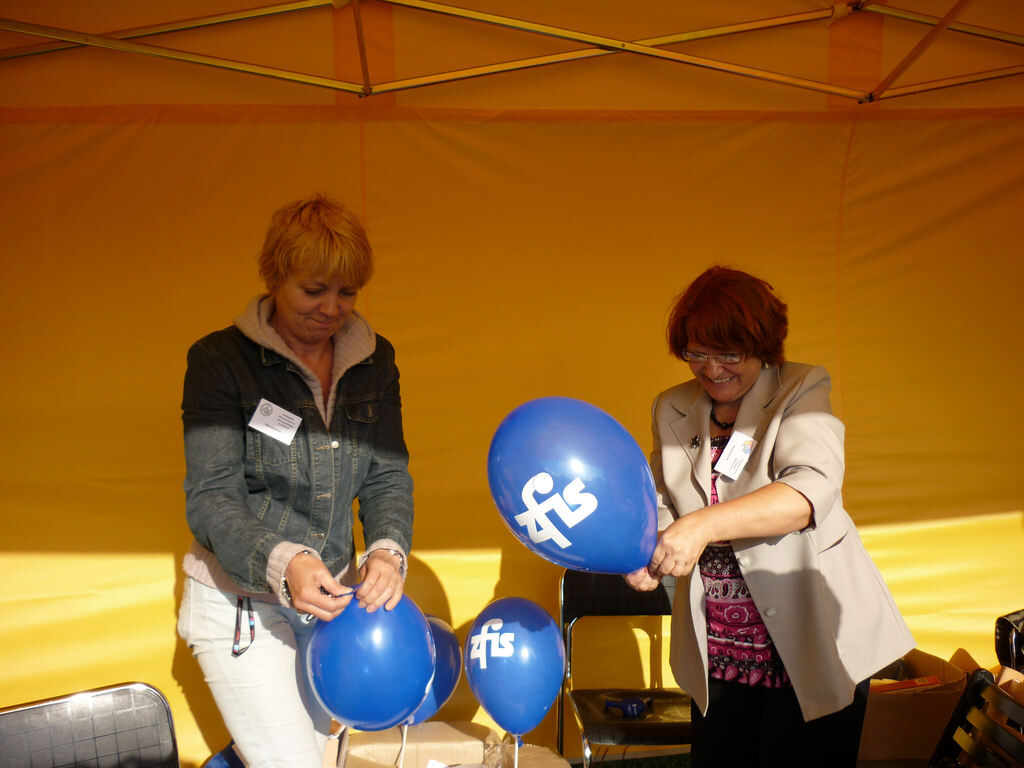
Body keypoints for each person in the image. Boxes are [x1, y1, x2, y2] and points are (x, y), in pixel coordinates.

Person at [626, 266, 913, 768]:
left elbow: (808, 492)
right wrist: (644, 550)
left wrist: (702, 525)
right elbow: (663, 499)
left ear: (762, 343)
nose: (711, 369)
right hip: (719, 649)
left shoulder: (801, 387)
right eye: (697, 353)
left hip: (809, 642)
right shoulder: (670, 406)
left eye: (728, 354)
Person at [177, 194, 414, 768]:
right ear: (274, 276)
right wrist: (284, 560)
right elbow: (211, 498)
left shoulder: (375, 361)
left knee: (317, 757)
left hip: (330, 607)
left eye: (348, 292)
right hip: (242, 603)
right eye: (313, 290)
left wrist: (387, 551)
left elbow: (386, 474)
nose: (332, 309)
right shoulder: (219, 361)